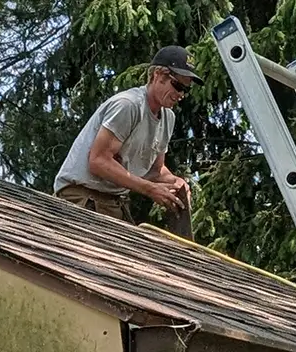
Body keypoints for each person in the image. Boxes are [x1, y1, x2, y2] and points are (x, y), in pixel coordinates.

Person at [54, 46, 198, 232]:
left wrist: (174, 182)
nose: (181, 95)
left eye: (186, 90)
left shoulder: (168, 118)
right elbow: (98, 161)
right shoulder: (128, 105)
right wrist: (149, 189)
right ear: (157, 75)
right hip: (82, 199)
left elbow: (156, 170)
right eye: (177, 85)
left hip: (114, 204)